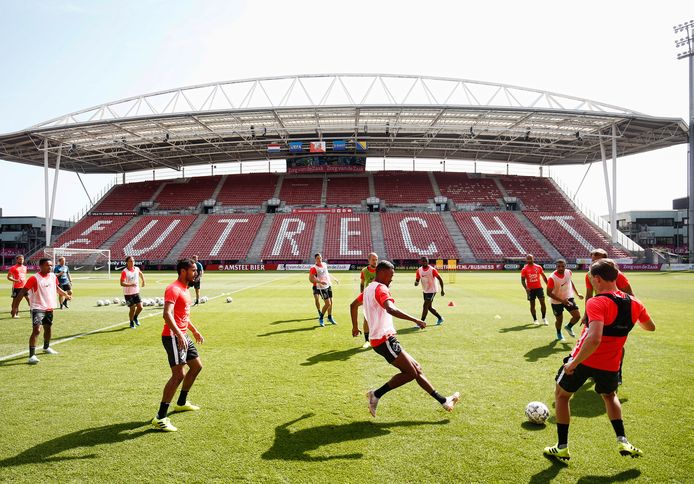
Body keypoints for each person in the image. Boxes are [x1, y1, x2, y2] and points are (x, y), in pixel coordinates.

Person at [543, 259, 654, 461]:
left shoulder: (597, 302)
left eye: (591, 279)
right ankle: (622, 441)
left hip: (584, 359)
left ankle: (562, 446)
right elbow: (650, 326)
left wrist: (573, 363)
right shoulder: (635, 303)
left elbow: (594, 339)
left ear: (598, 279)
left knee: (561, 395)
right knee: (610, 396)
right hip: (611, 363)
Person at [350, 260, 459, 417]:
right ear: (381, 272)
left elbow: (352, 305)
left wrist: (355, 327)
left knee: (417, 369)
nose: (392, 278)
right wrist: (416, 320)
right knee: (410, 373)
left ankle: (444, 401)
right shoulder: (381, 289)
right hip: (384, 340)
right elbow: (390, 308)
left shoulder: (369, 289)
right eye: (391, 275)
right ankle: (376, 394)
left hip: (382, 339)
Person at [151, 258, 205, 432]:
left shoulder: (185, 289)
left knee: (196, 367)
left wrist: (194, 331)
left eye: (196, 270)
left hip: (183, 335)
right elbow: (167, 314)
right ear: (183, 271)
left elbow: (184, 316)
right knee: (178, 375)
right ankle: (160, 417)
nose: (195, 273)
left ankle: (181, 402)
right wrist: (180, 333)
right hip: (173, 337)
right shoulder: (173, 289)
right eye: (193, 270)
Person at [581, 248, 635, 385]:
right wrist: (585, 314)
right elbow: (589, 295)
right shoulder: (589, 275)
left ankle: (617, 372)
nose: (594, 262)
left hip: (617, 312)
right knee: (594, 340)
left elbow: (631, 294)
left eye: (597, 259)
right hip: (598, 311)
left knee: (616, 343)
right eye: (593, 259)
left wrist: (626, 312)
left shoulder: (618, 275)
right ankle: (595, 371)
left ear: (605, 259)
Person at [11, 258, 72, 364]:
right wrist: (15, 307)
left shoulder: (53, 276)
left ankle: (46, 347)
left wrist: (65, 295)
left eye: (51, 265)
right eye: (48, 265)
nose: (50, 267)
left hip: (49, 307)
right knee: (37, 330)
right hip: (37, 307)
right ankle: (32, 356)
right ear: (41, 266)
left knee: (48, 328)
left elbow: (56, 288)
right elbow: (22, 292)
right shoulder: (34, 278)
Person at [546, 259, 583, 341]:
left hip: (568, 297)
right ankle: (559, 333)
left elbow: (570, 282)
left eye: (563, 266)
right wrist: (562, 301)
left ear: (565, 266)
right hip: (556, 301)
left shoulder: (568, 272)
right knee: (559, 320)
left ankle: (569, 327)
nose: (561, 268)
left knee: (577, 316)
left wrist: (577, 294)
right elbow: (548, 293)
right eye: (558, 266)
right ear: (556, 267)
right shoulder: (552, 278)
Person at [308, 253, 339, 327]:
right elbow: (311, 279)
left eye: (320, 258)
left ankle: (329, 317)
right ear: (315, 259)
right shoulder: (313, 268)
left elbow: (327, 273)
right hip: (321, 287)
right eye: (318, 258)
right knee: (327, 303)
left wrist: (334, 279)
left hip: (328, 285)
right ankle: (321, 318)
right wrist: (320, 282)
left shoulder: (324, 264)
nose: (319, 259)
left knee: (331, 302)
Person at [414, 257, 445, 325]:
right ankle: (440, 318)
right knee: (429, 307)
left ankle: (421, 322)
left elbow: (440, 279)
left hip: (432, 290)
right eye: (423, 261)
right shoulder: (419, 270)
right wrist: (416, 283)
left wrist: (442, 290)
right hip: (425, 290)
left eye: (426, 261)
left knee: (425, 305)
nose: (424, 262)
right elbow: (417, 279)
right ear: (421, 262)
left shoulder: (432, 270)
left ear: (428, 262)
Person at [520, 254, 548, 325]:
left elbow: (544, 277)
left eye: (530, 258)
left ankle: (544, 318)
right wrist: (526, 288)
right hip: (530, 290)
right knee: (532, 305)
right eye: (528, 259)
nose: (529, 260)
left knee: (543, 302)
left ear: (533, 258)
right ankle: (535, 320)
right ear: (526, 260)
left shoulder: (538, 267)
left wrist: (548, 285)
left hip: (539, 288)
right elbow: (522, 280)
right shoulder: (524, 269)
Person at [359, 252, 379, 348]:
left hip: (379, 298)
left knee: (378, 318)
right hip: (368, 297)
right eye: (373, 260)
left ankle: (377, 338)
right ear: (369, 260)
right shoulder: (364, 271)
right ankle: (367, 340)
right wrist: (362, 295)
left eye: (376, 260)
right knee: (366, 319)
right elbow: (362, 284)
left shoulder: (380, 270)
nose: (375, 261)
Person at [120, 256, 146, 329]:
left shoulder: (137, 269)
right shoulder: (124, 272)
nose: (132, 262)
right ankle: (131, 322)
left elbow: (141, 274)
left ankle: (135, 317)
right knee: (132, 308)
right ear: (127, 262)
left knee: (140, 307)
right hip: (127, 294)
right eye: (131, 261)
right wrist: (131, 284)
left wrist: (143, 281)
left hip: (136, 292)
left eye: (133, 261)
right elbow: (122, 283)